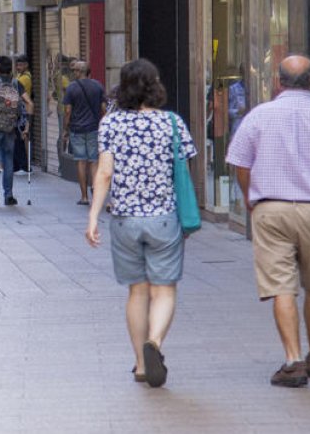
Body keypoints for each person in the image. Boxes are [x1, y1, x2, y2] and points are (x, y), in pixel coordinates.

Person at [226, 55, 310, 388]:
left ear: (278, 81)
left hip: (271, 208)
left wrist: (249, 198)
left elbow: (240, 164)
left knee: (280, 287)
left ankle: (292, 360)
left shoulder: (257, 116)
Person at [85, 58, 196, 388]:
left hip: (125, 219)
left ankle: (140, 364)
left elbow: (104, 172)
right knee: (164, 290)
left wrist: (93, 216)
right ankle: (155, 343)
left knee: (137, 291)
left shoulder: (112, 124)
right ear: (155, 85)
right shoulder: (172, 124)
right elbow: (185, 170)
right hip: (164, 218)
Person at [0, 56, 34, 206]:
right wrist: (27, 124)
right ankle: (8, 195)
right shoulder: (16, 83)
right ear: (11, 68)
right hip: (10, 128)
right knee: (8, 161)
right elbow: (29, 103)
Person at [62, 60, 106, 206]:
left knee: (81, 161)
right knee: (93, 160)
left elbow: (67, 111)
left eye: (75, 71)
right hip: (94, 128)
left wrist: (65, 129)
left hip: (77, 129)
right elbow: (104, 109)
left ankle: (84, 197)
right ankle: (95, 189)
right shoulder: (98, 86)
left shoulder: (71, 88)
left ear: (80, 72)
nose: (73, 73)